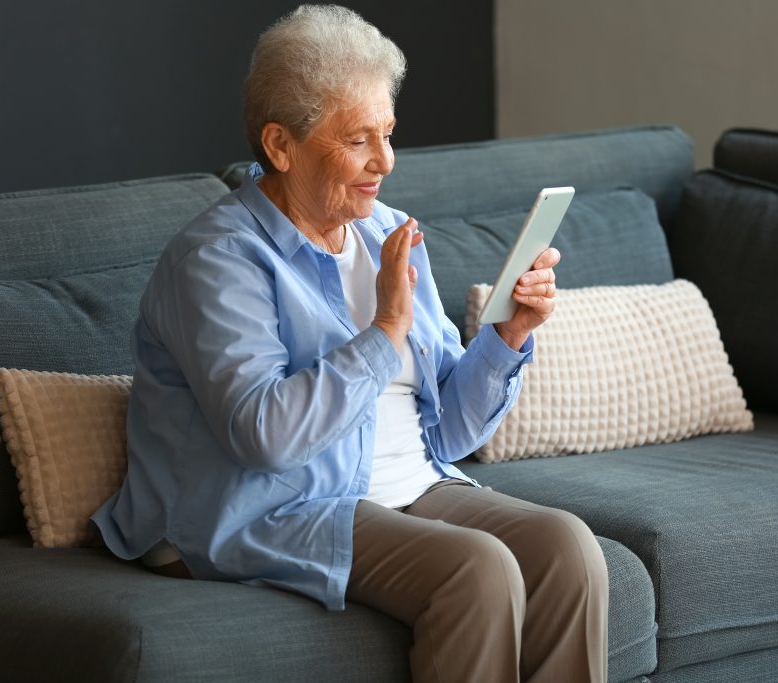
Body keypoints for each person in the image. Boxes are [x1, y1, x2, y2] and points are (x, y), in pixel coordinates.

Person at [91, 5, 608, 681]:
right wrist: (385, 329)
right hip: (267, 504)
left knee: (567, 548)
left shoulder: (385, 232)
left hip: (403, 484)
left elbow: (448, 433)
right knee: (476, 570)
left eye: (388, 133)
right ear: (280, 145)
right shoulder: (216, 261)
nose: (385, 162)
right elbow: (264, 436)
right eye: (358, 140)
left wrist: (507, 337)